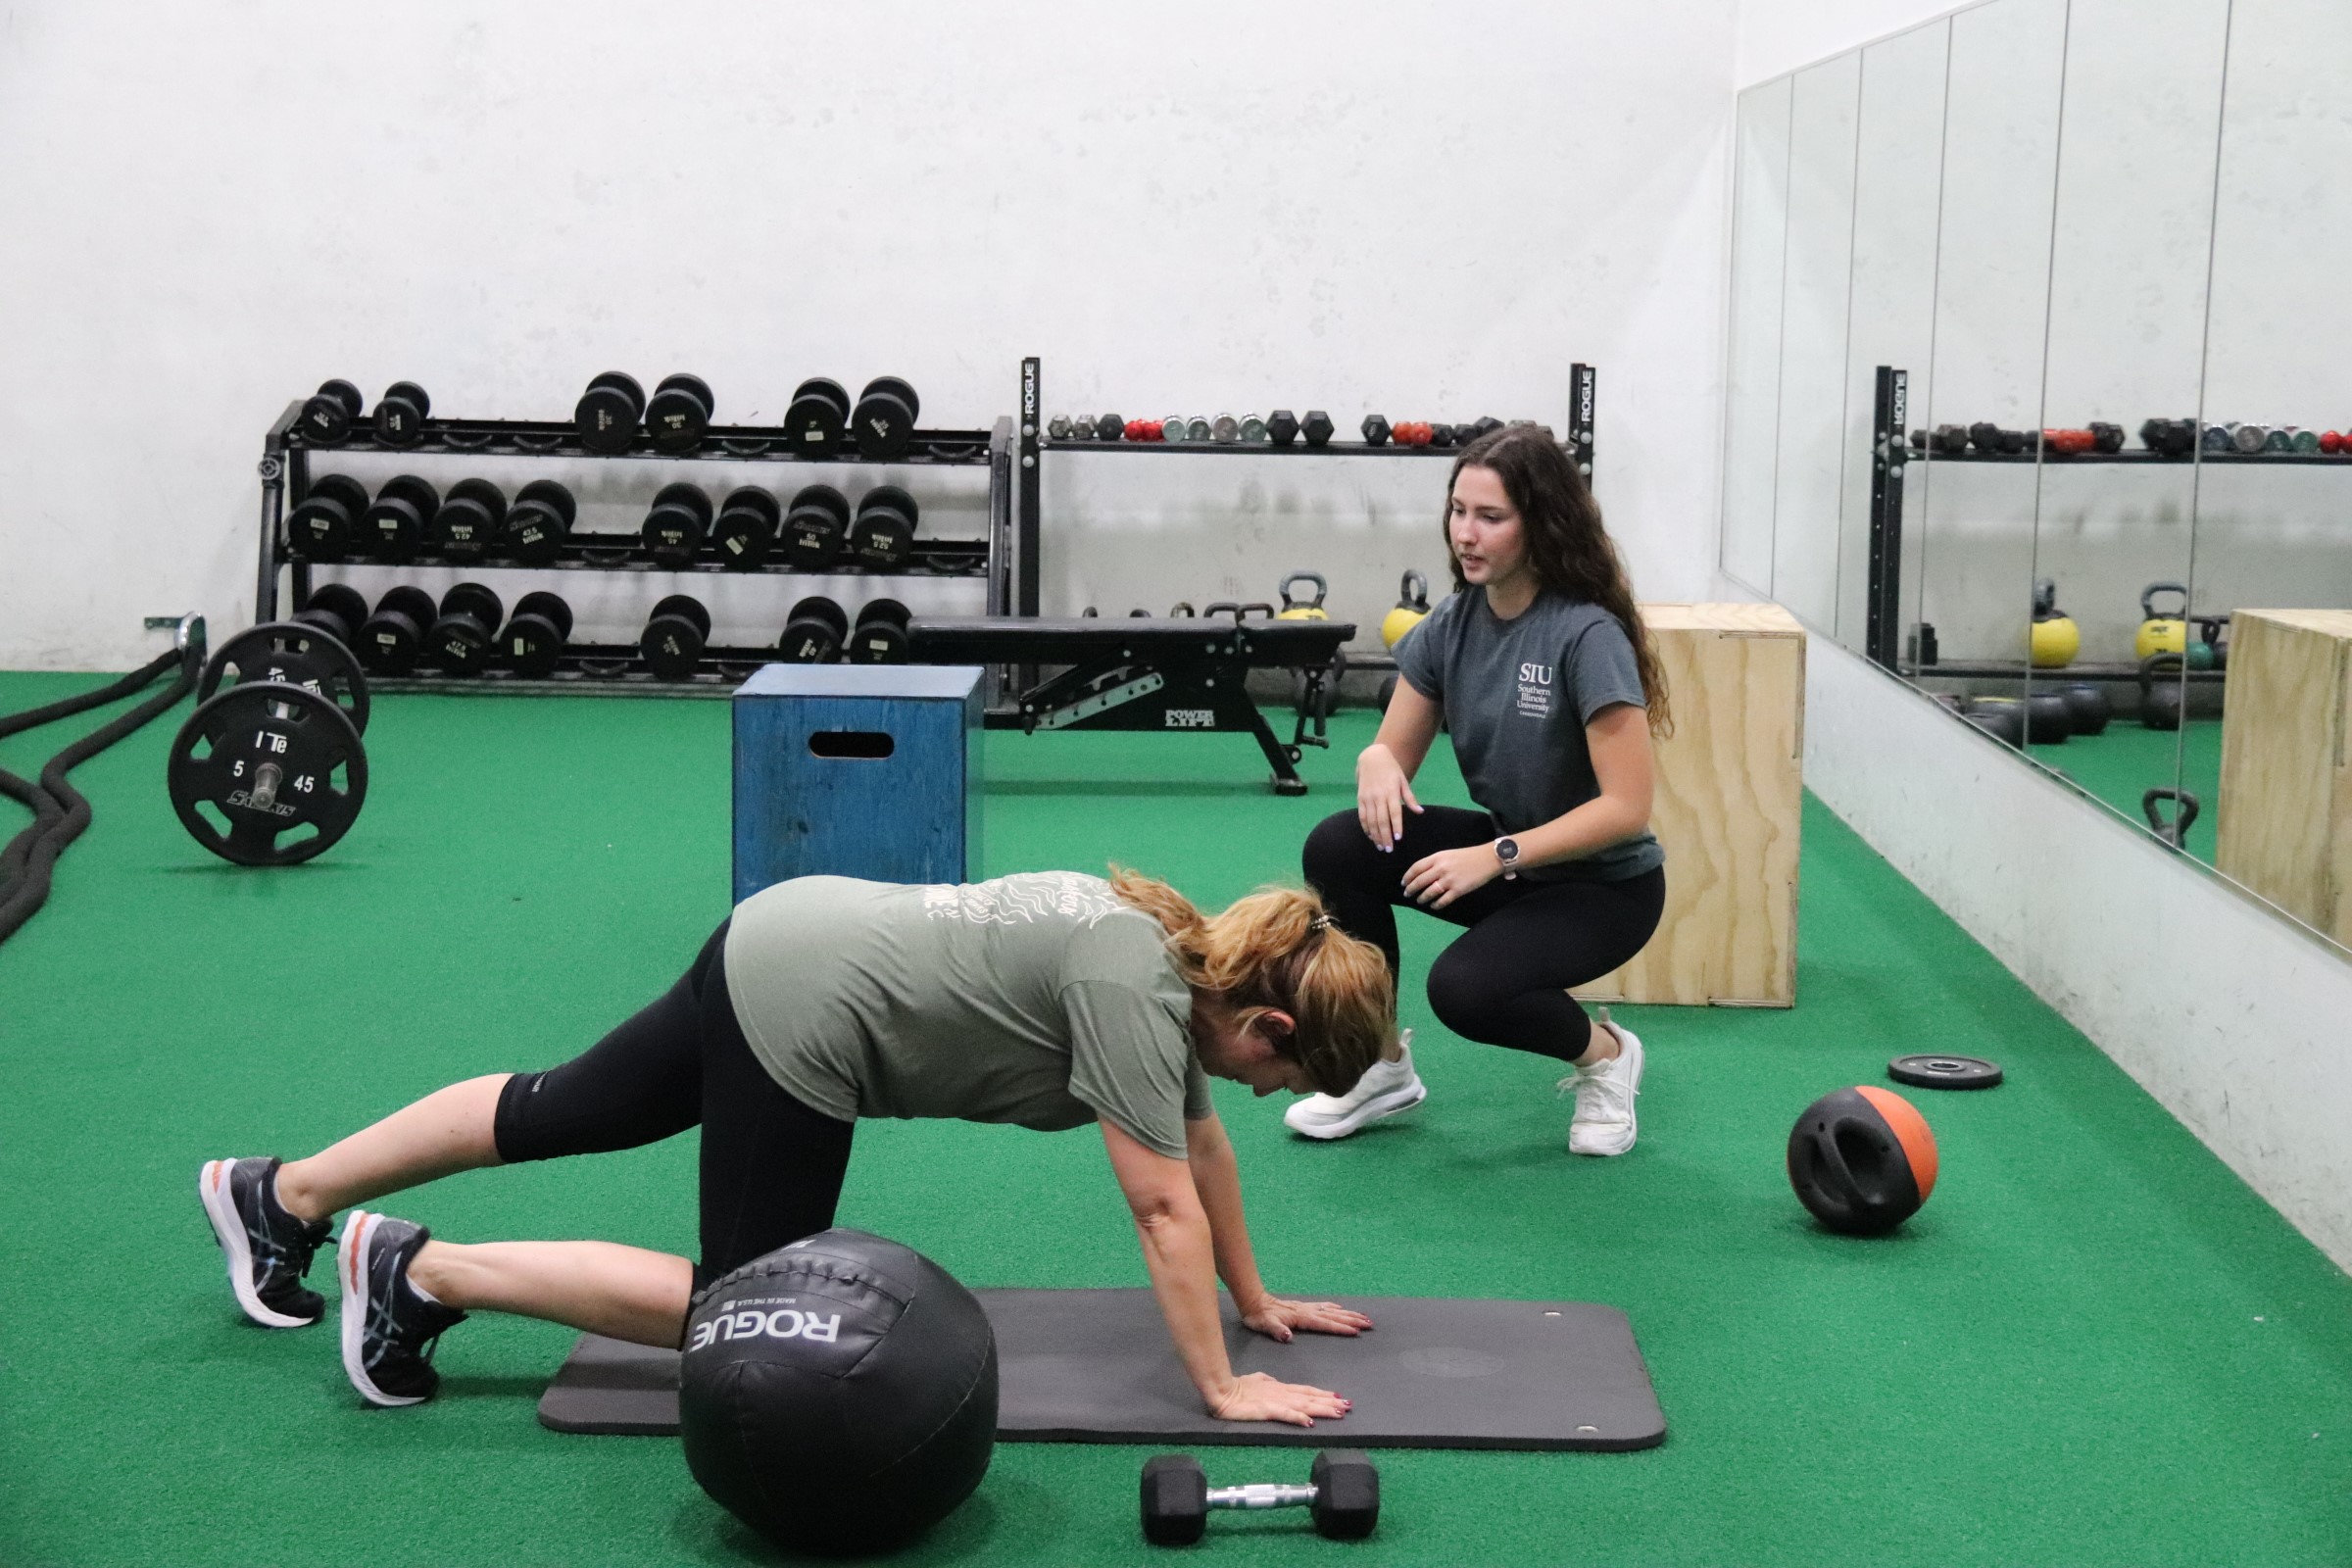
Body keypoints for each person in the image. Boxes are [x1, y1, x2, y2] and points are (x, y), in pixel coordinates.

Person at [198, 868, 1394, 1426]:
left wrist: (1258, 1295)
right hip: (806, 1017)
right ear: (1269, 1022)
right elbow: (1162, 1207)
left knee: (564, 1105)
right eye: (1276, 1072)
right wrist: (1225, 1388)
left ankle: (283, 1193)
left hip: (782, 931)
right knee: (746, 1306)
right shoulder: (1137, 994)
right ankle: (414, 1272)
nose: (1256, 1091)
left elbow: (1201, 1157)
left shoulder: (1173, 950)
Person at [1286, 423, 1670, 1154]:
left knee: (1465, 991)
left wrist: (1495, 854)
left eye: (1490, 517)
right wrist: (1374, 761)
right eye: (1459, 511)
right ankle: (1378, 1065)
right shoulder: (1450, 626)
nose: (1466, 533)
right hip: (1514, 861)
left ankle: (1608, 1057)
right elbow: (1392, 760)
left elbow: (1627, 808)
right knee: (1340, 844)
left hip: (1603, 890)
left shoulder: (1586, 636)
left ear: (1542, 524)